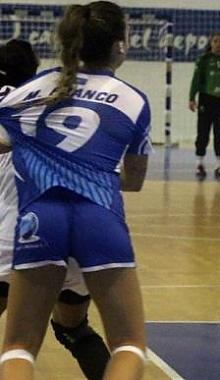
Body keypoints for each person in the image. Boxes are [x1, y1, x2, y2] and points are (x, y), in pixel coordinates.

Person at [0, 2, 150, 379]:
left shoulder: (29, 92)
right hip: (100, 218)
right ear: (119, 46)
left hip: (39, 219)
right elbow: (133, 181)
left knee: (18, 347)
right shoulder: (134, 101)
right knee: (129, 345)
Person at [0, 39, 109, 380]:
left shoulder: (11, 109)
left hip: (24, 229)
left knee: (18, 344)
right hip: (83, 229)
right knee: (72, 327)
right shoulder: (59, 99)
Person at [189, 31, 220, 182]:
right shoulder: (204, 60)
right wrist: (192, 98)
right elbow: (196, 80)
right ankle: (199, 163)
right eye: (215, 41)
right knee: (203, 132)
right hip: (206, 99)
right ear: (211, 43)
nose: (218, 44)